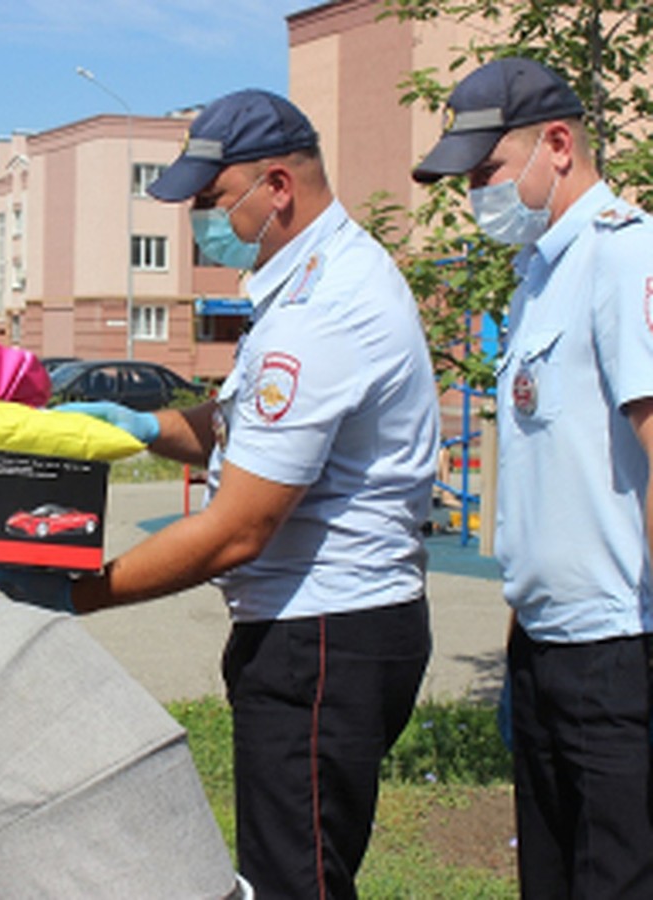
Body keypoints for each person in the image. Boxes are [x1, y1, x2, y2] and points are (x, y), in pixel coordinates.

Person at [57, 89, 439, 897]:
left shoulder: (320, 312)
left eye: (211, 199)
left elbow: (236, 532)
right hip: (328, 629)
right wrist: (139, 428)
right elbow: (238, 428)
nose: (200, 220)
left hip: (321, 636)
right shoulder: (307, 284)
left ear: (277, 188)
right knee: (296, 867)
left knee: (296, 881)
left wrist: (75, 595)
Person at [412, 56, 653, 898]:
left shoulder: (624, 256)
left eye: (487, 172)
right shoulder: (538, 276)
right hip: (547, 643)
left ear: (558, 144)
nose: (476, 194)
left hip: (620, 647)